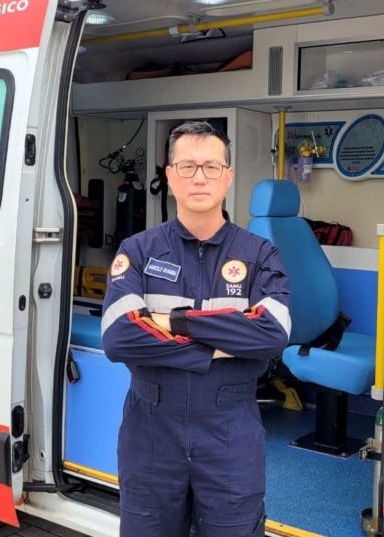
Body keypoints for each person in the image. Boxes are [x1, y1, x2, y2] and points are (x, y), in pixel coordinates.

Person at [101, 120, 291, 537]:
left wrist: (176, 320)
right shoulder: (138, 251)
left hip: (229, 430)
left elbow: (271, 334)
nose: (199, 177)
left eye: (211, 166)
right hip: (152, 430)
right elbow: (119, 337)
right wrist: (214, 349)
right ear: (169, 176)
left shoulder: (260, 254)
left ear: (228, 176)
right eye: (187, 167)